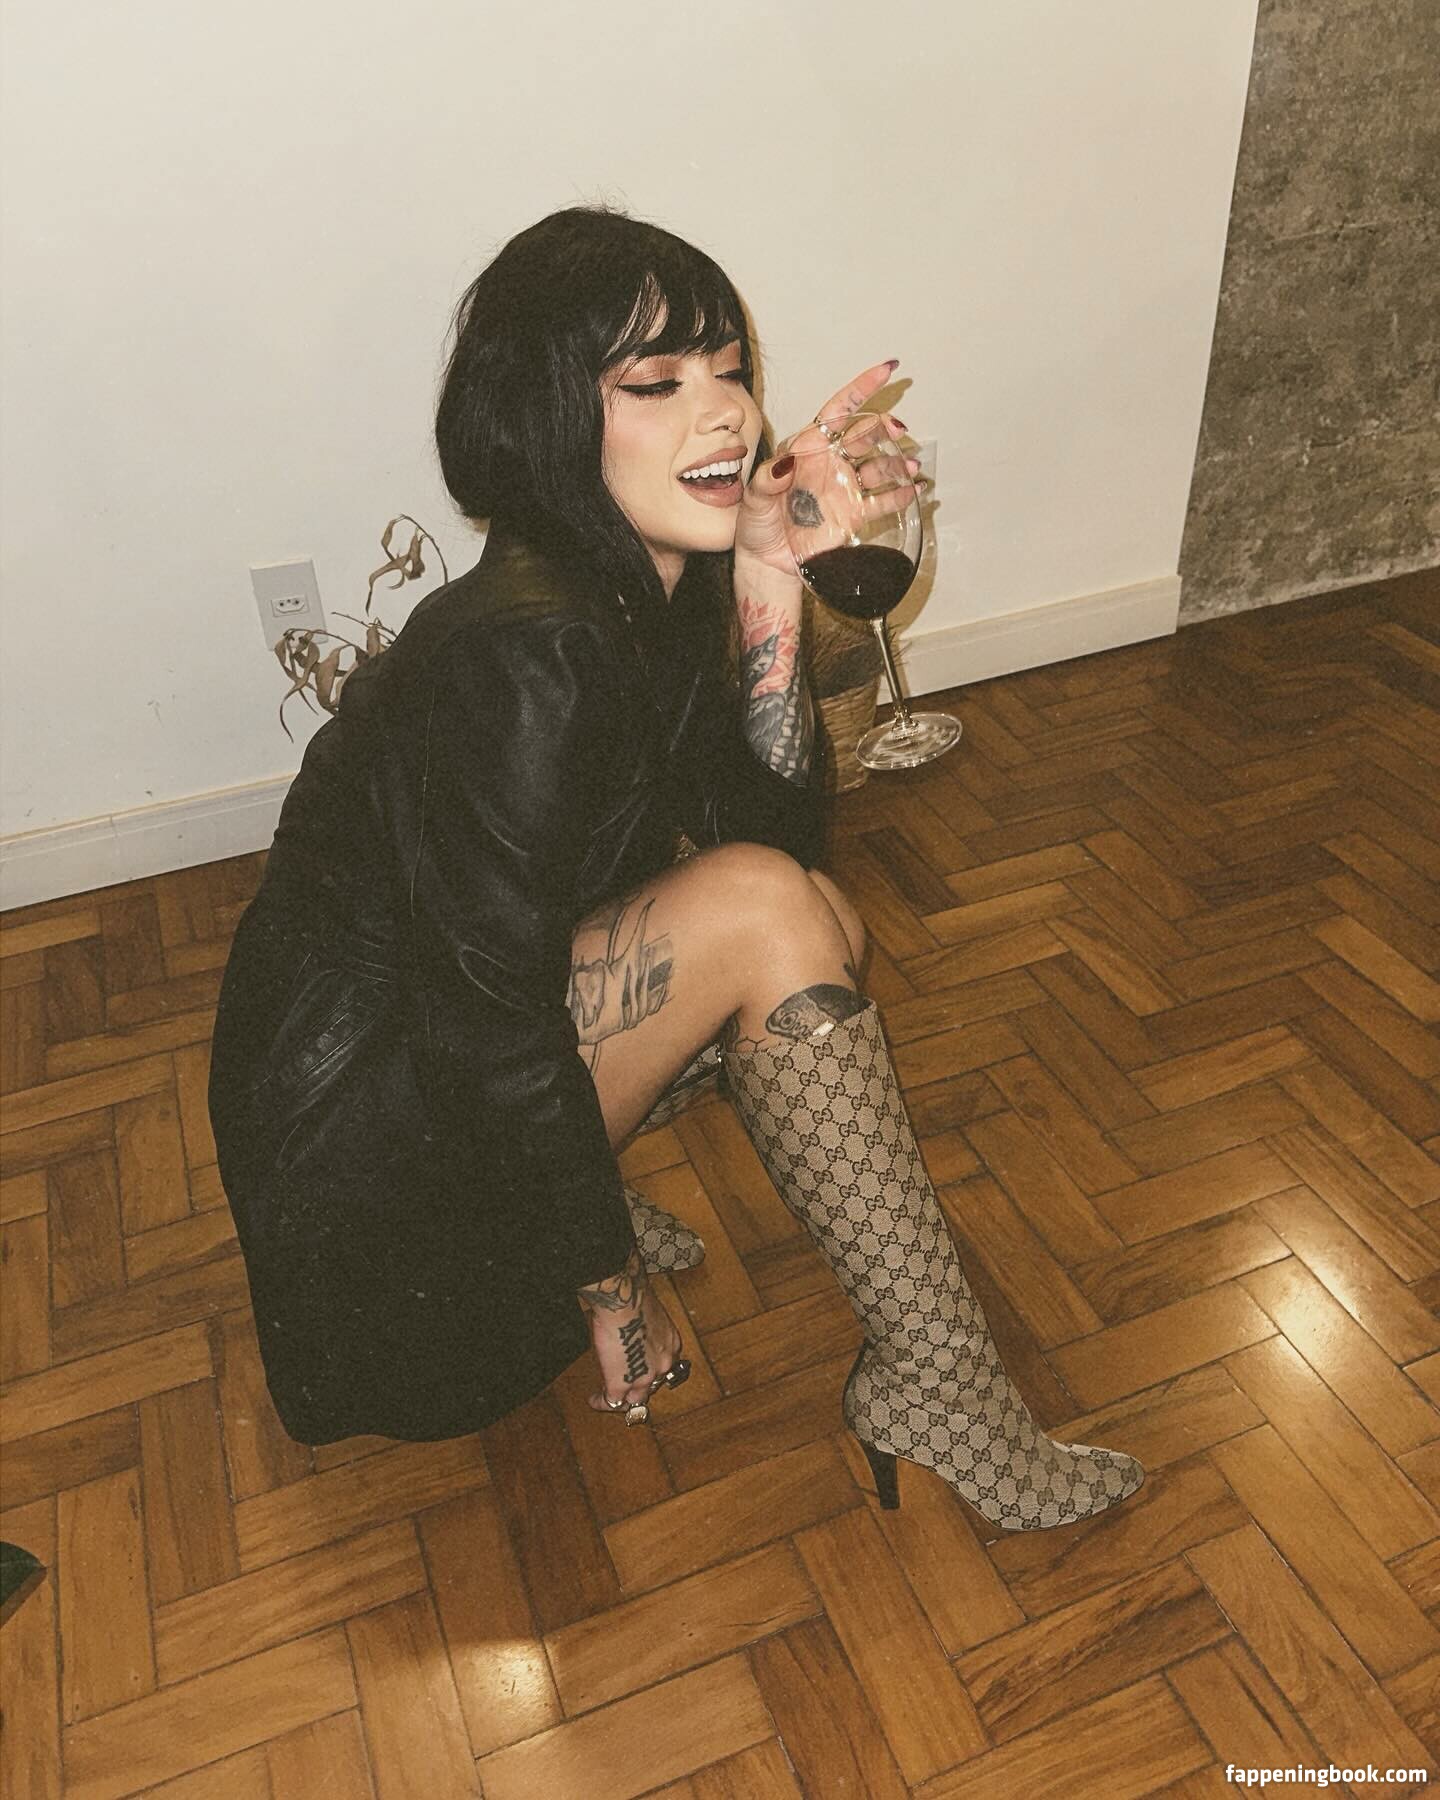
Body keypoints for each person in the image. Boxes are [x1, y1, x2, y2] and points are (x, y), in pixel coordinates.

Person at [209, 206, 1143, 1530]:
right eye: (653, 383)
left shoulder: (633, 581)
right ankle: (941, 1387)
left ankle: (884, 1354)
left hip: (431, 1109)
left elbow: (781, 844)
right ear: (546, 417)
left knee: (812, 915)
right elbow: (485, 1019)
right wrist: (603, 1281)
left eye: (729, 369)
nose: (724, 414)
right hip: (384, 1248)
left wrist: (768, 572)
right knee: (767, 916)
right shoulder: (531, 651)